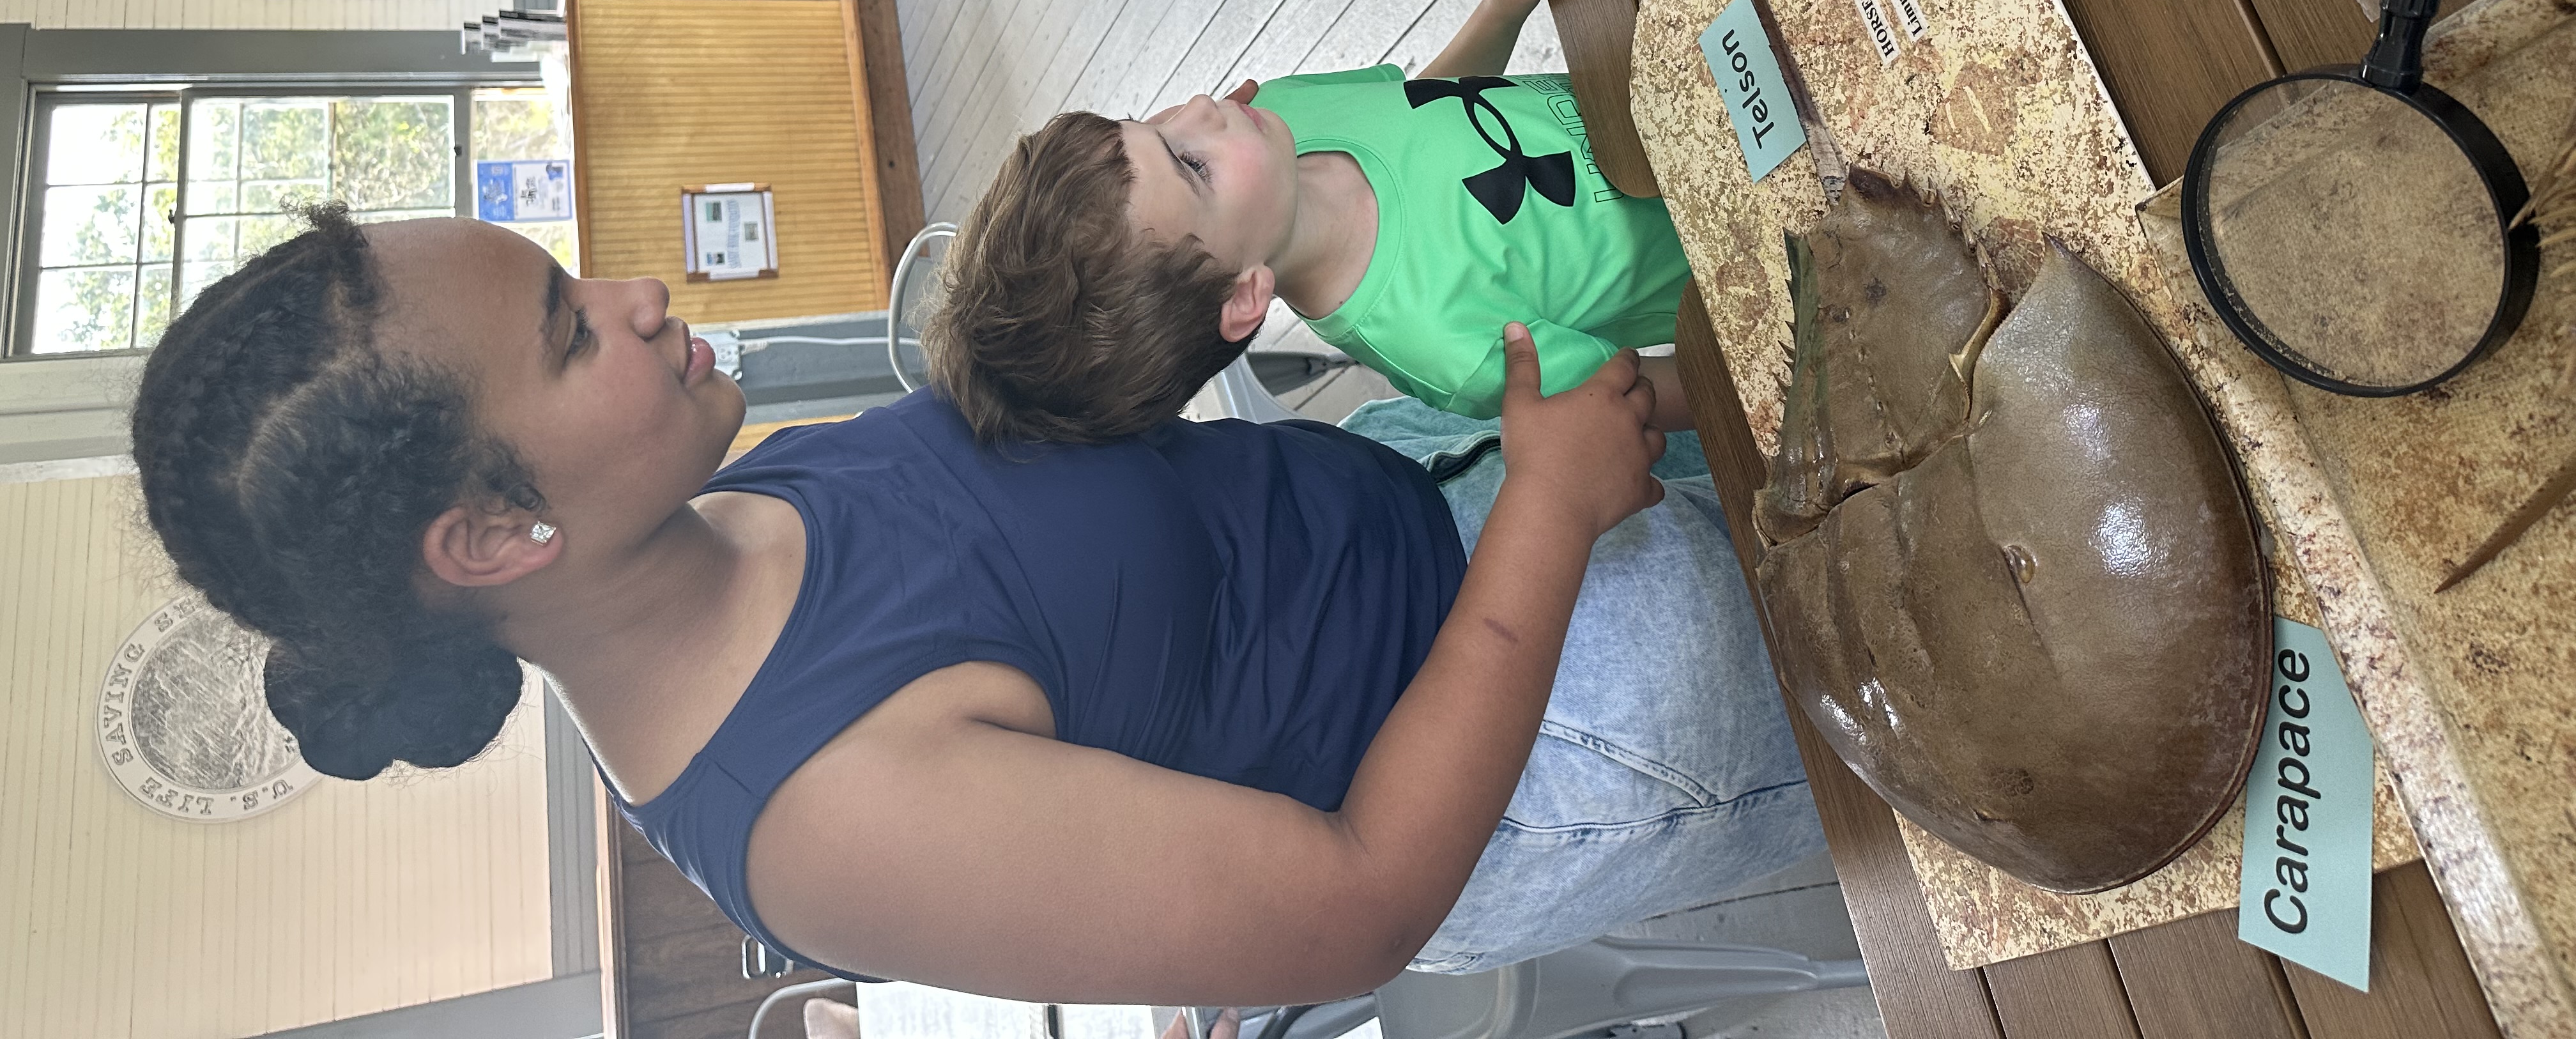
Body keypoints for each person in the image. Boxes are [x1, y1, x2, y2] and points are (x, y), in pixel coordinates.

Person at [128, 197, 1818, 995]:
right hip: (1575, 716)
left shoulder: (724, 500)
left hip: (1459, 494)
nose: (640, 294)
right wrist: (1542, 513)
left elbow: (1093, 535)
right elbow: (1358, 902)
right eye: (573, 330)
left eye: (578, 272)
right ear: (491, 537)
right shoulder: (822, 819)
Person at [929, 0, 1708, 442]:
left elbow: (1428, 105)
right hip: (1750, 235)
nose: (1201, 103)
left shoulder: (1289, 116)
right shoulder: (1446, 346)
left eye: (1153, 120)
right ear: (1244, 294)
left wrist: (1499, 10)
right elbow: (1638, 393)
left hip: (1688, 94)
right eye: (1192, 164)